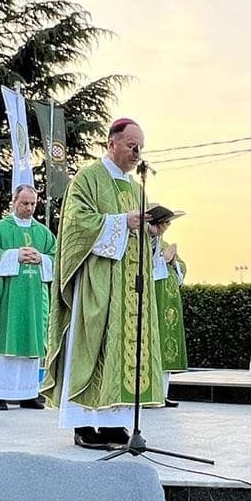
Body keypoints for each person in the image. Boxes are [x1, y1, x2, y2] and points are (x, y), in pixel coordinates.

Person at [41, 117, 166, 449]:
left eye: (140, 147)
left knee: (122, 353)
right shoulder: (88, 179)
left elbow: (137, 234)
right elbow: (75, 224)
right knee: (92, 346)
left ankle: (113, 423)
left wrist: (153, 234)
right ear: (111, 143)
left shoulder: (136, 188)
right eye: (131, 146)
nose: (137, 153)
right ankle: (83, 424)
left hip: (129, 286)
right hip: (97, 282)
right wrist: (122, 221)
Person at [0, 185, 56, 411]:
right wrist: (15, 255)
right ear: (14, 201)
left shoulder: (43, 233)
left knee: (31, 339)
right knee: (4, 337)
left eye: (33, 204)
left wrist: (42, 259)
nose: (29, 208)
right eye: (24, 203)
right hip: (7, 298)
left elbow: (56, 257)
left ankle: (27, 393)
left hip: (34, 298)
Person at [149, 205, 187, 409]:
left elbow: (182, 270)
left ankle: (162, 394)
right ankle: (151, 394)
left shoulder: (164, 243)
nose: (166, 227)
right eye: (164, 223)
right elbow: (145, 270)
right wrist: (163, 260)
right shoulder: (145, 243)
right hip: (153, 300)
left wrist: (173, 263)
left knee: (166, 349)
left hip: (169, 303)